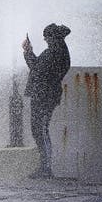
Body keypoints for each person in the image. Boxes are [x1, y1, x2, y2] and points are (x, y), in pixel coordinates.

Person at [21, 23, 71, 178]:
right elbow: (39, 68)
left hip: (44, 96)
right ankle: (44, 167)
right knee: (39, 130)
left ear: (52, 37)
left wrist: (28, 51)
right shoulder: (59, 51)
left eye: (46, 37)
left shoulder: (55, 52)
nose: (44, 39)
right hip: (45, 95)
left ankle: (46, 168)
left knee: (40, 131)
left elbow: (36, 68)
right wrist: (29, 52)